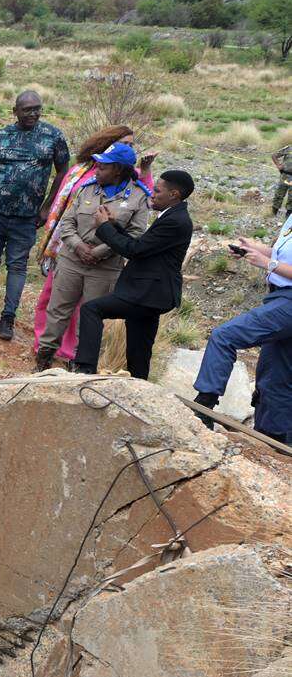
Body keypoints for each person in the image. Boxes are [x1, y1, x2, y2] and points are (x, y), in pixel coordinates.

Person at [29, 127, 150, 363]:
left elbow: (135, 235)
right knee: (57, 311)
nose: (98, 169)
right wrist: (78, 247)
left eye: (103, 166)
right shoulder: (86, 189)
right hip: (72, 260)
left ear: (117, 170)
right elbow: (67, 223)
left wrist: (99, 252)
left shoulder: (138, 197)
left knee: (90, 318)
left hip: (104, 269)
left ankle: (80, 363)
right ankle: (44, 357)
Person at [0, 91, 70, 341]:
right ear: (15, 111)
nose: (33, 113)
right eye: (27, 109)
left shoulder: (53, 136)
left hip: (27, 217)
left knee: (17, 266)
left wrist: (47, 207)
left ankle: (8, 317)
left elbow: (63, 172)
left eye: (37, 108)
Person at [72, 170, 195, 379]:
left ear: (174, 194)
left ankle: (85, 370)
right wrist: (113, 225)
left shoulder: (175, 220)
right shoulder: (173, 216)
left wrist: (103, 227)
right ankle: (139, 383)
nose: (152, 195)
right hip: (153, 294)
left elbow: (134, 250)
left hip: (146, 293)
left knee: (92, 310)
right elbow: (142, 245)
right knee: (140, 346)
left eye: (157, 191)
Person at [196, 211, 292, 445]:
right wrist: (256, 249)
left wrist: (268, 263)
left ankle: (204, 405)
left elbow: (277, 263)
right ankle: (275, 439)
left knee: (225, 336)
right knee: (275, 374)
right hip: (279, 296)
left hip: (288, 302)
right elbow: (283, 255)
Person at [272, 144, 292, 219]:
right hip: (285, 176)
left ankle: (288, 216)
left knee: (291, 197)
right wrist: (278, 165)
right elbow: (274, 155)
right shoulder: (289, 148)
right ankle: (274, 211)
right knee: (279, 194)